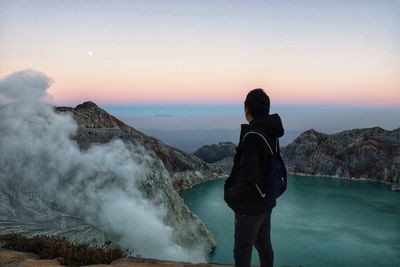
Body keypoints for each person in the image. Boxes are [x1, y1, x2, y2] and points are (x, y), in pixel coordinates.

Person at [224, 88, 284, 267]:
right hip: (267, 198)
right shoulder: (271, 131)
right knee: (263, 244)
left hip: (250, 205)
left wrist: (232, 196)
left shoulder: (252, 135)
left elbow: (248, 175)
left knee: (242, 250)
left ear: (247, 110)